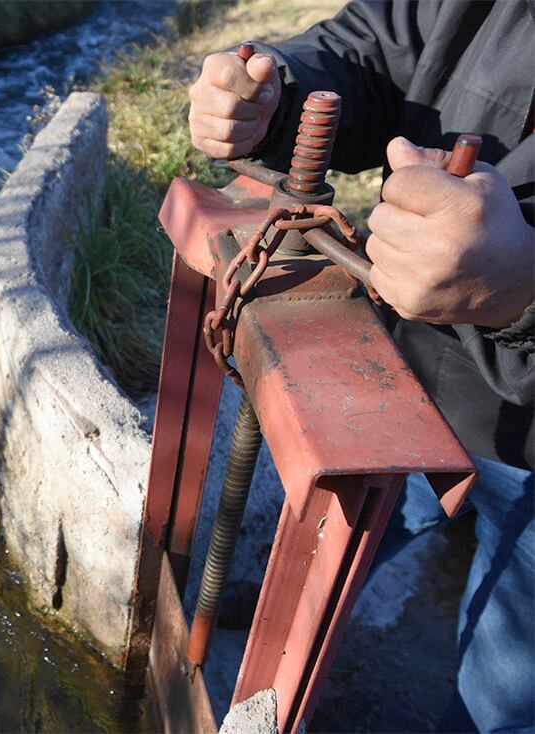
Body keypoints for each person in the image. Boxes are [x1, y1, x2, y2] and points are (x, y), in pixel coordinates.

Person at [186, 1, 534, 731]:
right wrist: (274, 99)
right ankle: (319, 592)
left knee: (505, 689)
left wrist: (528, 289)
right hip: (413, 365)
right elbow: (376, 43)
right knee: (391, 509)